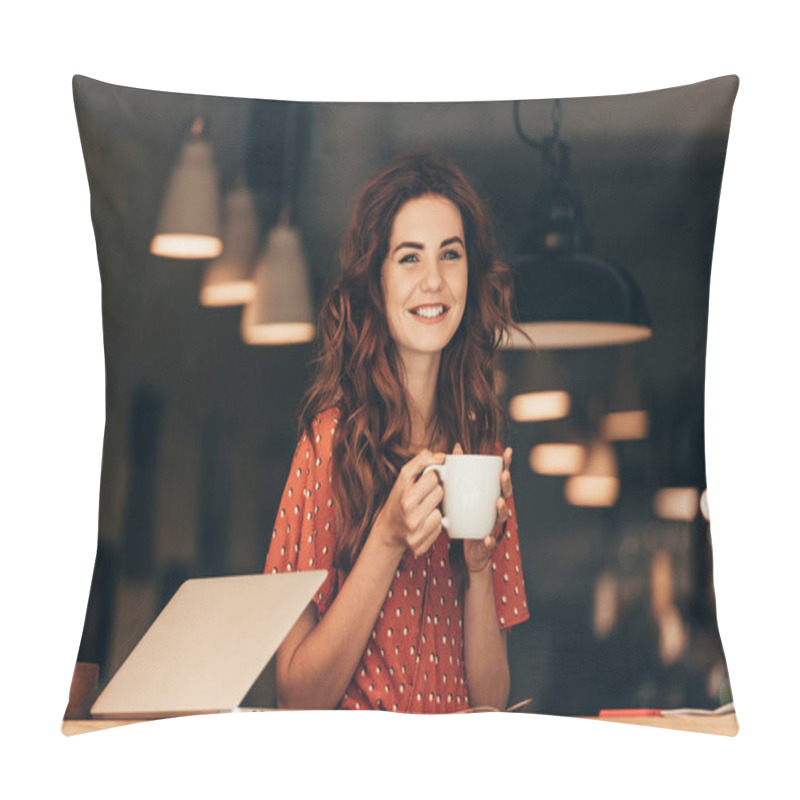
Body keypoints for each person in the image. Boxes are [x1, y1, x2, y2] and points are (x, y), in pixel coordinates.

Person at [265, 151, 529, 713]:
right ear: (375, 279)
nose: (433, 281)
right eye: (409, 258)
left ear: (471, 273)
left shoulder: (479, 453)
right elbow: (295, 698)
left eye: (450, 256)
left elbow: (492, 702)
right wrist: (386, 537)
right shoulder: (329, 445)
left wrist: (480, 567)